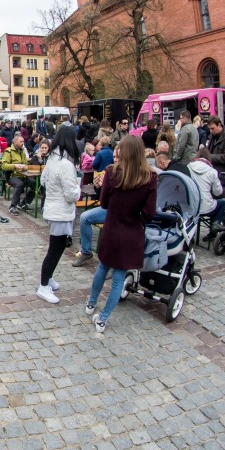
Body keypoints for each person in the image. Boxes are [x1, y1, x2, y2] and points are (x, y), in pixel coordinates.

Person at [85, 135, 158, 333]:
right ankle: (103, 318)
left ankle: (92, 303)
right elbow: (150, 213)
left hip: (112, 226)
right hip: (132, 229)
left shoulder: (112, 172)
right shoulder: (150, 177)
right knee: (118, 277)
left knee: (103, 267)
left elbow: (105, 203)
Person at [36, 127, 81, 303]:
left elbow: (43, 181)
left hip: (53, 209)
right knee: (55, 250)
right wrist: (78, 187)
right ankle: (43, 286)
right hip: (60, 212)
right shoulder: (66, 164)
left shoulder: (53, 160)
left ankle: (49, 278)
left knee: (57, 248)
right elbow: (71, 195)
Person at [188, 148, 225, 228]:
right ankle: (215, 225)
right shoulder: (212, 171)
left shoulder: (189, 167)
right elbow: (218, 192)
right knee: (222, 203)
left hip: (192, 206)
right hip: (206, 207)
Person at [1, 135, 31, 215]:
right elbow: (4, 166)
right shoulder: (8, 151)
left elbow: (26, 163)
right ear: (15, 142)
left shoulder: (23, 151)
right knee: (20, 184)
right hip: (12, 176)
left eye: (23, 142)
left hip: (23, 175)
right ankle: (12, 206)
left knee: (36, 184)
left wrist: (25, 166)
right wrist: (14, 166)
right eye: (21, 142)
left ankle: (23, 203)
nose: (22, 143)